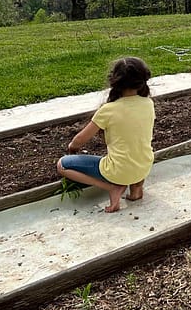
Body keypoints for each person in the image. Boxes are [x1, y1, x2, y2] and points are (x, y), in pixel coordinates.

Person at [57, 56, 155, 213]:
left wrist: (72, 147)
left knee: (62, 165)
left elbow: (80, 140)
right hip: (145, 166)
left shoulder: (108, 110)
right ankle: (136, 190)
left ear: (115, 81)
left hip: (118, 172)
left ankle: (112, 188)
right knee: (137, 150)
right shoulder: (148, 104)